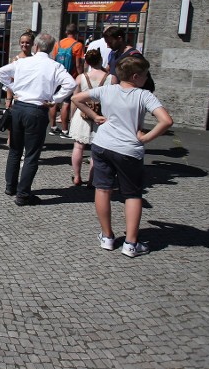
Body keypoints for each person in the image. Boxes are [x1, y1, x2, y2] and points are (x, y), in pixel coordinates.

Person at [72, 56, 173, 257]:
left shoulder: (108, 90)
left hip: (102, 145)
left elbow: (76, 98)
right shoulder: (144, 96)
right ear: (136, 76)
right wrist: (145, 138)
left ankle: (107, 236)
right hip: (128, 150)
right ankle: (131, 243)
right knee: (132, 194)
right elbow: (166, 121)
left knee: (102, 189)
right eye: (145, 75)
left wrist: (95, 117)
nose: (146, 78)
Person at [0, 33, 76, 206]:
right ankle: (23, 194)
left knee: (15, 150)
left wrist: (12, 87)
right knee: (31, 154)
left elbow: (0, 72)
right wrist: (55, 100)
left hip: (19, 107)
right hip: (37, 109)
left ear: (35, 46)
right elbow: (71, 84)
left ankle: (11, 186)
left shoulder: (23, 62)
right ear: (52, 48)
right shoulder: (55, 66)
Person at [69, 50, 116, 187]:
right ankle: (91, 180)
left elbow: (74, 100)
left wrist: (72, 116)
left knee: (78, 147)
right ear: (101, 60)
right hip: (102, 115)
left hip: (82, 113)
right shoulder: (111, 78)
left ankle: (77, 177)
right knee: (96, 149)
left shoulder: (80, 78)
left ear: (87, 62)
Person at [49, 24, 85, 138]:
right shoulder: (78, 45)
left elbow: (54, 60)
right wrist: (81, 76)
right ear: (76, 33)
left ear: (66, 32)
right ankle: (65, 130)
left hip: (57, 77)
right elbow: (78, 64)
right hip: (70, 77)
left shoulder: (57, 44)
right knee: (66, 103)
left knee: (54, 102)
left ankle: (53, 127)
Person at [104, 26, 155, 91]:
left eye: (110, 42)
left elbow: (140, 79)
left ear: (119, 39)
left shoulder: (134, 55)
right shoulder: (115, 54)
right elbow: (108, 70)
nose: (108, 46)